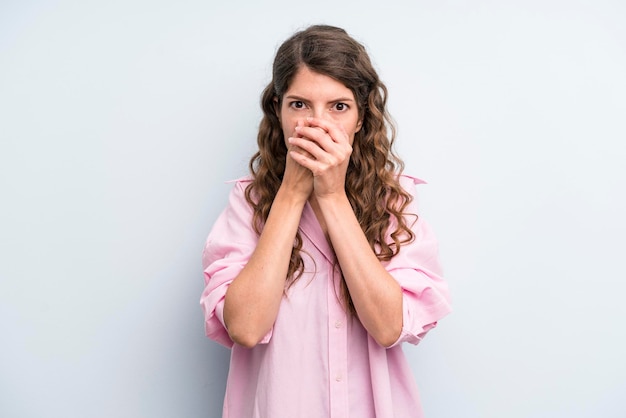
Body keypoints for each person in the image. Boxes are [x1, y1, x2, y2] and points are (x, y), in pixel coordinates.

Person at [200, 24, 452, 418]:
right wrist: (292, 192)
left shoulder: (395, 201)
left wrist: (332, 196)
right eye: (299, 105)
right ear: (278, 111)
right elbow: (245, 328)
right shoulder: (248, 204)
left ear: (360, 118)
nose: (317, 125)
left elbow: (389, 328)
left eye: (338, 106)